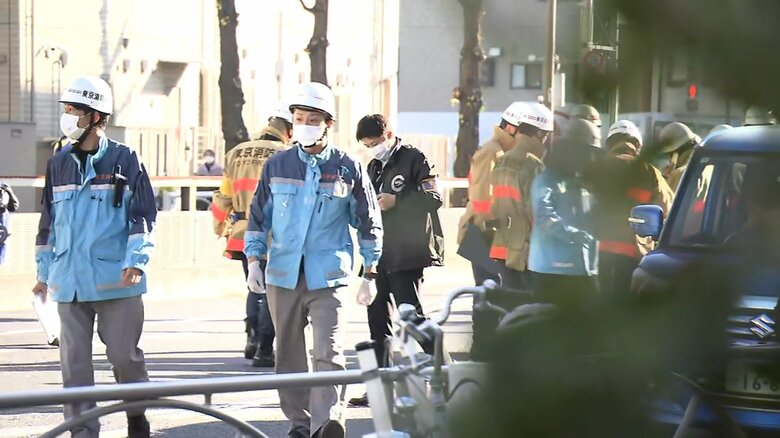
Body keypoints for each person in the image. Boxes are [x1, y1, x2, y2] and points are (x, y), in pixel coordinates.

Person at [244, 82, 383, 438]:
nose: (304, 125)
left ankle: (327, 423)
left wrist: (370, 271)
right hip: (283, 274)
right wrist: (254, 259)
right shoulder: (277, 165)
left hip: (329, 275)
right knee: (288, 356)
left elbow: (368, 220)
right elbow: (258, 216)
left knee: (328, 352)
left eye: (312, 119)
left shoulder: (347, 167)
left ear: (328, 124)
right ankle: (300, 424)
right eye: (299, 118)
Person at [32, 76, 156, 438]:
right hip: (68, 279)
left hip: (115, 277)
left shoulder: (125, 159)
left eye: (74, 110)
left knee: (124, 358)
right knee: (74, 366)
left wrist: (137, 260)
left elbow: (143, 215)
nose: (67, 116)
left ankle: (136, 415)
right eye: (67, 109)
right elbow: (48, 223)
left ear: (95, 116)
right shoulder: (59, 162)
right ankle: (82, 431)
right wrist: (43, 273)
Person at [348, 114, 444, 407]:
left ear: (388, 134)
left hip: (408, 251)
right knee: (377, 321)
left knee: (411, 316)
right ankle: (379, 387)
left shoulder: (414, 158)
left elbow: (434, 198)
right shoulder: (373, 167)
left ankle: (444, 369)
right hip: (380, 252)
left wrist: (397, 202)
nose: (373, 149)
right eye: (367, 146)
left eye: (375, 143)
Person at [211, 102, 293, 367]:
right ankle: (264, 350)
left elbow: (223, 196)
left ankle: (252, 339)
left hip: (241, 232)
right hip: (275, 233)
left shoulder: (236, 153)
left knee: (254, 286)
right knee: (272, 291)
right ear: (289, 130)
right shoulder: (286, 155)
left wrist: (220, 226)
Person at [456, 101, 525, 360]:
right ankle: (482, 350)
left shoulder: (508, 152)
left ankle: (489, 349)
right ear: (511, 128)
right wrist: (493, 223)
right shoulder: (492, 152)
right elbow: (482, 198)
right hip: (485, 232)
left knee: (497, 292)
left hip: (497, 232)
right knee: (488, 292)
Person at [583, 119, 674, 303]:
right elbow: (667, 208)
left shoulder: (593, 169)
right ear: (638, 146)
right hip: (633, 252)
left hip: (594, 253)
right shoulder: (650, 171)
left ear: (609, 144)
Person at [529, 119, 600, 314]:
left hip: (584, 270)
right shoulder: (546, 180)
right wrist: (574, 235)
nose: (590, 158)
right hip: (552, 271)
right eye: (585, 152)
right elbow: (544, 218)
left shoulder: (585, 183)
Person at [487, 102, 555, 291]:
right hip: (525, 251)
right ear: (540, 134)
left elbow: (494, 205)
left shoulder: (501, 160)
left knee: (508, 301)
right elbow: (536, 211)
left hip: (502, 246)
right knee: (526, 302)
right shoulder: (533, 165)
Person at [657, 122, 702, 191]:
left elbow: (665, 196)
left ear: (675, 154)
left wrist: (664, 178)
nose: (669, 160)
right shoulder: (706, 165)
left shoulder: (679, 174)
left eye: (669, 155)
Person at [0, 183, 19, 265]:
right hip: (4, 215)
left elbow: (13, 206)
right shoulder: (4, 187)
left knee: (2, 241)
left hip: (3, 214)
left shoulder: (4, 189)